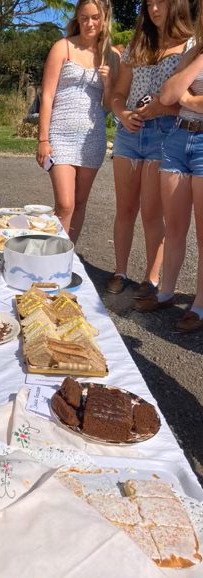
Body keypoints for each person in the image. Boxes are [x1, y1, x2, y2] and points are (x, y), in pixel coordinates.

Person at [107, 0, 194, 298]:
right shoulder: (137, 47)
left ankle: (151, 278)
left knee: (151, 213)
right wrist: (122, 113)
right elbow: (118, 94)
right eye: (149, 4)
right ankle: (119, 271)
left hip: (165, 135)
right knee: (125, 209)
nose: (155, 9)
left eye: (161, 3)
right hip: (129, 134)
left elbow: (188, 99)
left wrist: (163, 109)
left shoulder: (190, 46)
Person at [135, 1, 203, 331]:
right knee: (174, 226)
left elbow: (178, 96)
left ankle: (200, 305)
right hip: (178, 141)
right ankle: (165, 291)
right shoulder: (195, 49)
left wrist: (186, 100)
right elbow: (168, 93)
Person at [36, 0, 119, 243]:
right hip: (60, 135)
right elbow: (48, 96)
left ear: (104, 20)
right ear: (77, 19)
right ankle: (50, 256)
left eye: (95, 17)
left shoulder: (111, 56)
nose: (89, 23)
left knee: (80, 202)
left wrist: (108, 84)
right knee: (65, 204)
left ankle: (67, 256)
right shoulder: (63, 47)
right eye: (84, 18)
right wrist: (43, 138)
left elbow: (108, 106)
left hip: (92, 139)